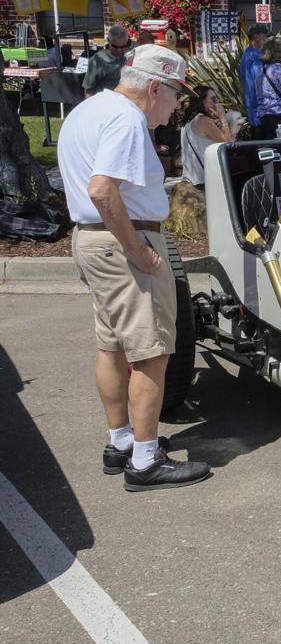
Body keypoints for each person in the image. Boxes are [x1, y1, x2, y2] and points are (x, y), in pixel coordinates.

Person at [59, 45, 211, 492]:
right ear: (154, 86)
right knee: (152, 352)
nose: (175, 108)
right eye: (174, 96)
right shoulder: (126, 119)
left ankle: (121, 441)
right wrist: (140, 250)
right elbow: (103, 190)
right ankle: (145, 460)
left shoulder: (88, 110)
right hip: (123, 241)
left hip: (92, 240)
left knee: (112, 346)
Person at [181, 85, 234, 188]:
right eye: (213, 99)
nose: (217, 102)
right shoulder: (202, 120)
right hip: (203, 181)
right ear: (201, 101)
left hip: (192, 180)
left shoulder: (189, 120)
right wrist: (223, 117)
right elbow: (227, 142)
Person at [82, 25, 133, 96]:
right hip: (104, 101)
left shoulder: (129, 56)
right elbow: (88, 90)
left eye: (123, 46)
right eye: (115, 46)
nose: (119, 50)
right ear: (108, 41)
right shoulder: (97, 60)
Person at [239, 24, 269, 134]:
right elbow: (256, 83)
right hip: (259, 110)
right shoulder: (254, 56)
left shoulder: (250, 54)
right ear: (256, 37)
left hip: (256, 109)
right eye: (264, 37)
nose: (266, 40)